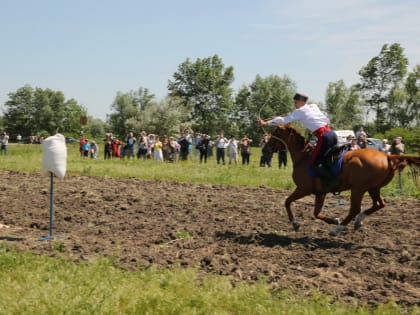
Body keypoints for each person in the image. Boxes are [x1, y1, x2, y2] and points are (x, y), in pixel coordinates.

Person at [259, 92, 338, 192]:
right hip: (332, 134)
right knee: (324, 158)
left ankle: (331, 182)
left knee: (314, 161)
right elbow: (325, 120)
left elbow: (283, 120)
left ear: (301, 102)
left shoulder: (300, 112)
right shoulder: (313, 107)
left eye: (296, 101)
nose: (294, 103)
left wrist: (266, 123)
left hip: (324, 137)